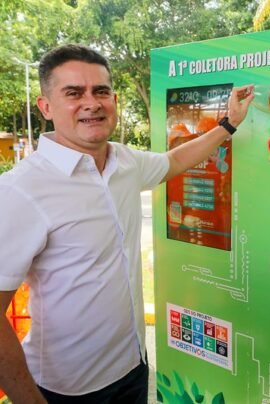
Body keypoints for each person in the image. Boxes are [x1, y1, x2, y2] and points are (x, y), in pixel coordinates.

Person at [0, 44, 254, 403]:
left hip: (132, 369)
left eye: (101, 91)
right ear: (46, 107)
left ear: (114, 100)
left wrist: (229, 124)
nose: (91, 103)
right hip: (68, 390)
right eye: (74, 93)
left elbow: (175, 161)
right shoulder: (21, 190)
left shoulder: (125, 163)